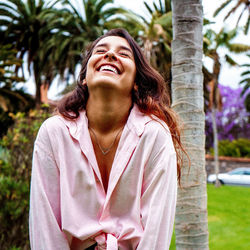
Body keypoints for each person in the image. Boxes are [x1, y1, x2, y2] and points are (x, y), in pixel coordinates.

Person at [29, 28, 185, 250]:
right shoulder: (54, 133)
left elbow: (155, 234)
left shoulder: (155, 136)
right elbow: (45, 229)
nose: (110, 55)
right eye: (101, 51)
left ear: (136, 82)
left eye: (124, 54)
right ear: (84, 77)